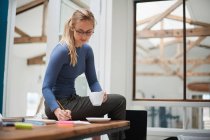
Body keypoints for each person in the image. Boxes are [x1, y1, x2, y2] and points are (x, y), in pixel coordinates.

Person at [42, 9, 126, 140]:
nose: (84, 36)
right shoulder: (61, 51)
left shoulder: (87, 50)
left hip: (72, 100)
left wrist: (99, 94)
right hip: (58, 105)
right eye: (80, 31)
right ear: (72, 27)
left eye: (89, 32)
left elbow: (93, 81)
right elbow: (46, 87)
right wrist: (57, 111)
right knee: (119, 101)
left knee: (100, 104)